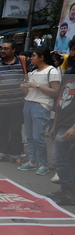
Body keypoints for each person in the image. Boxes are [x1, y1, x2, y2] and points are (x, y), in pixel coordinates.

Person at [17, 47, 61, 175]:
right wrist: (24, 87)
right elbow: (29, 91)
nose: (31, 59)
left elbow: (56, 91)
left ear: (41, 57)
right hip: (28, 103)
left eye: (34, 56)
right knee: (29, 136)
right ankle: (32, 161)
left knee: (38, 137)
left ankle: (43, 164)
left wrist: (36, 86)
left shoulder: (51, 71)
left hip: (41, 105)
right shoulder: (32, 72)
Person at [0, 40, 27, 163]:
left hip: (17, 104)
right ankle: (1, 153)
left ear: (14, 50)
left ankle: (15, 155)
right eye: (2, 48)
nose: (2, 51)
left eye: (6, 48)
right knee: (1, 129)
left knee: (15, 129)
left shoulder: (23, 62)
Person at [48, 40, 75, 205]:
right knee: (68, 159)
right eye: (72, 49)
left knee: (58, 158)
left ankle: (68, 191)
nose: (73, 53)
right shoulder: (70, 71)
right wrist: (54, 124)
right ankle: (68, 191)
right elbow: (61, 100)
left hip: (71, 124)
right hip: (62, 121)